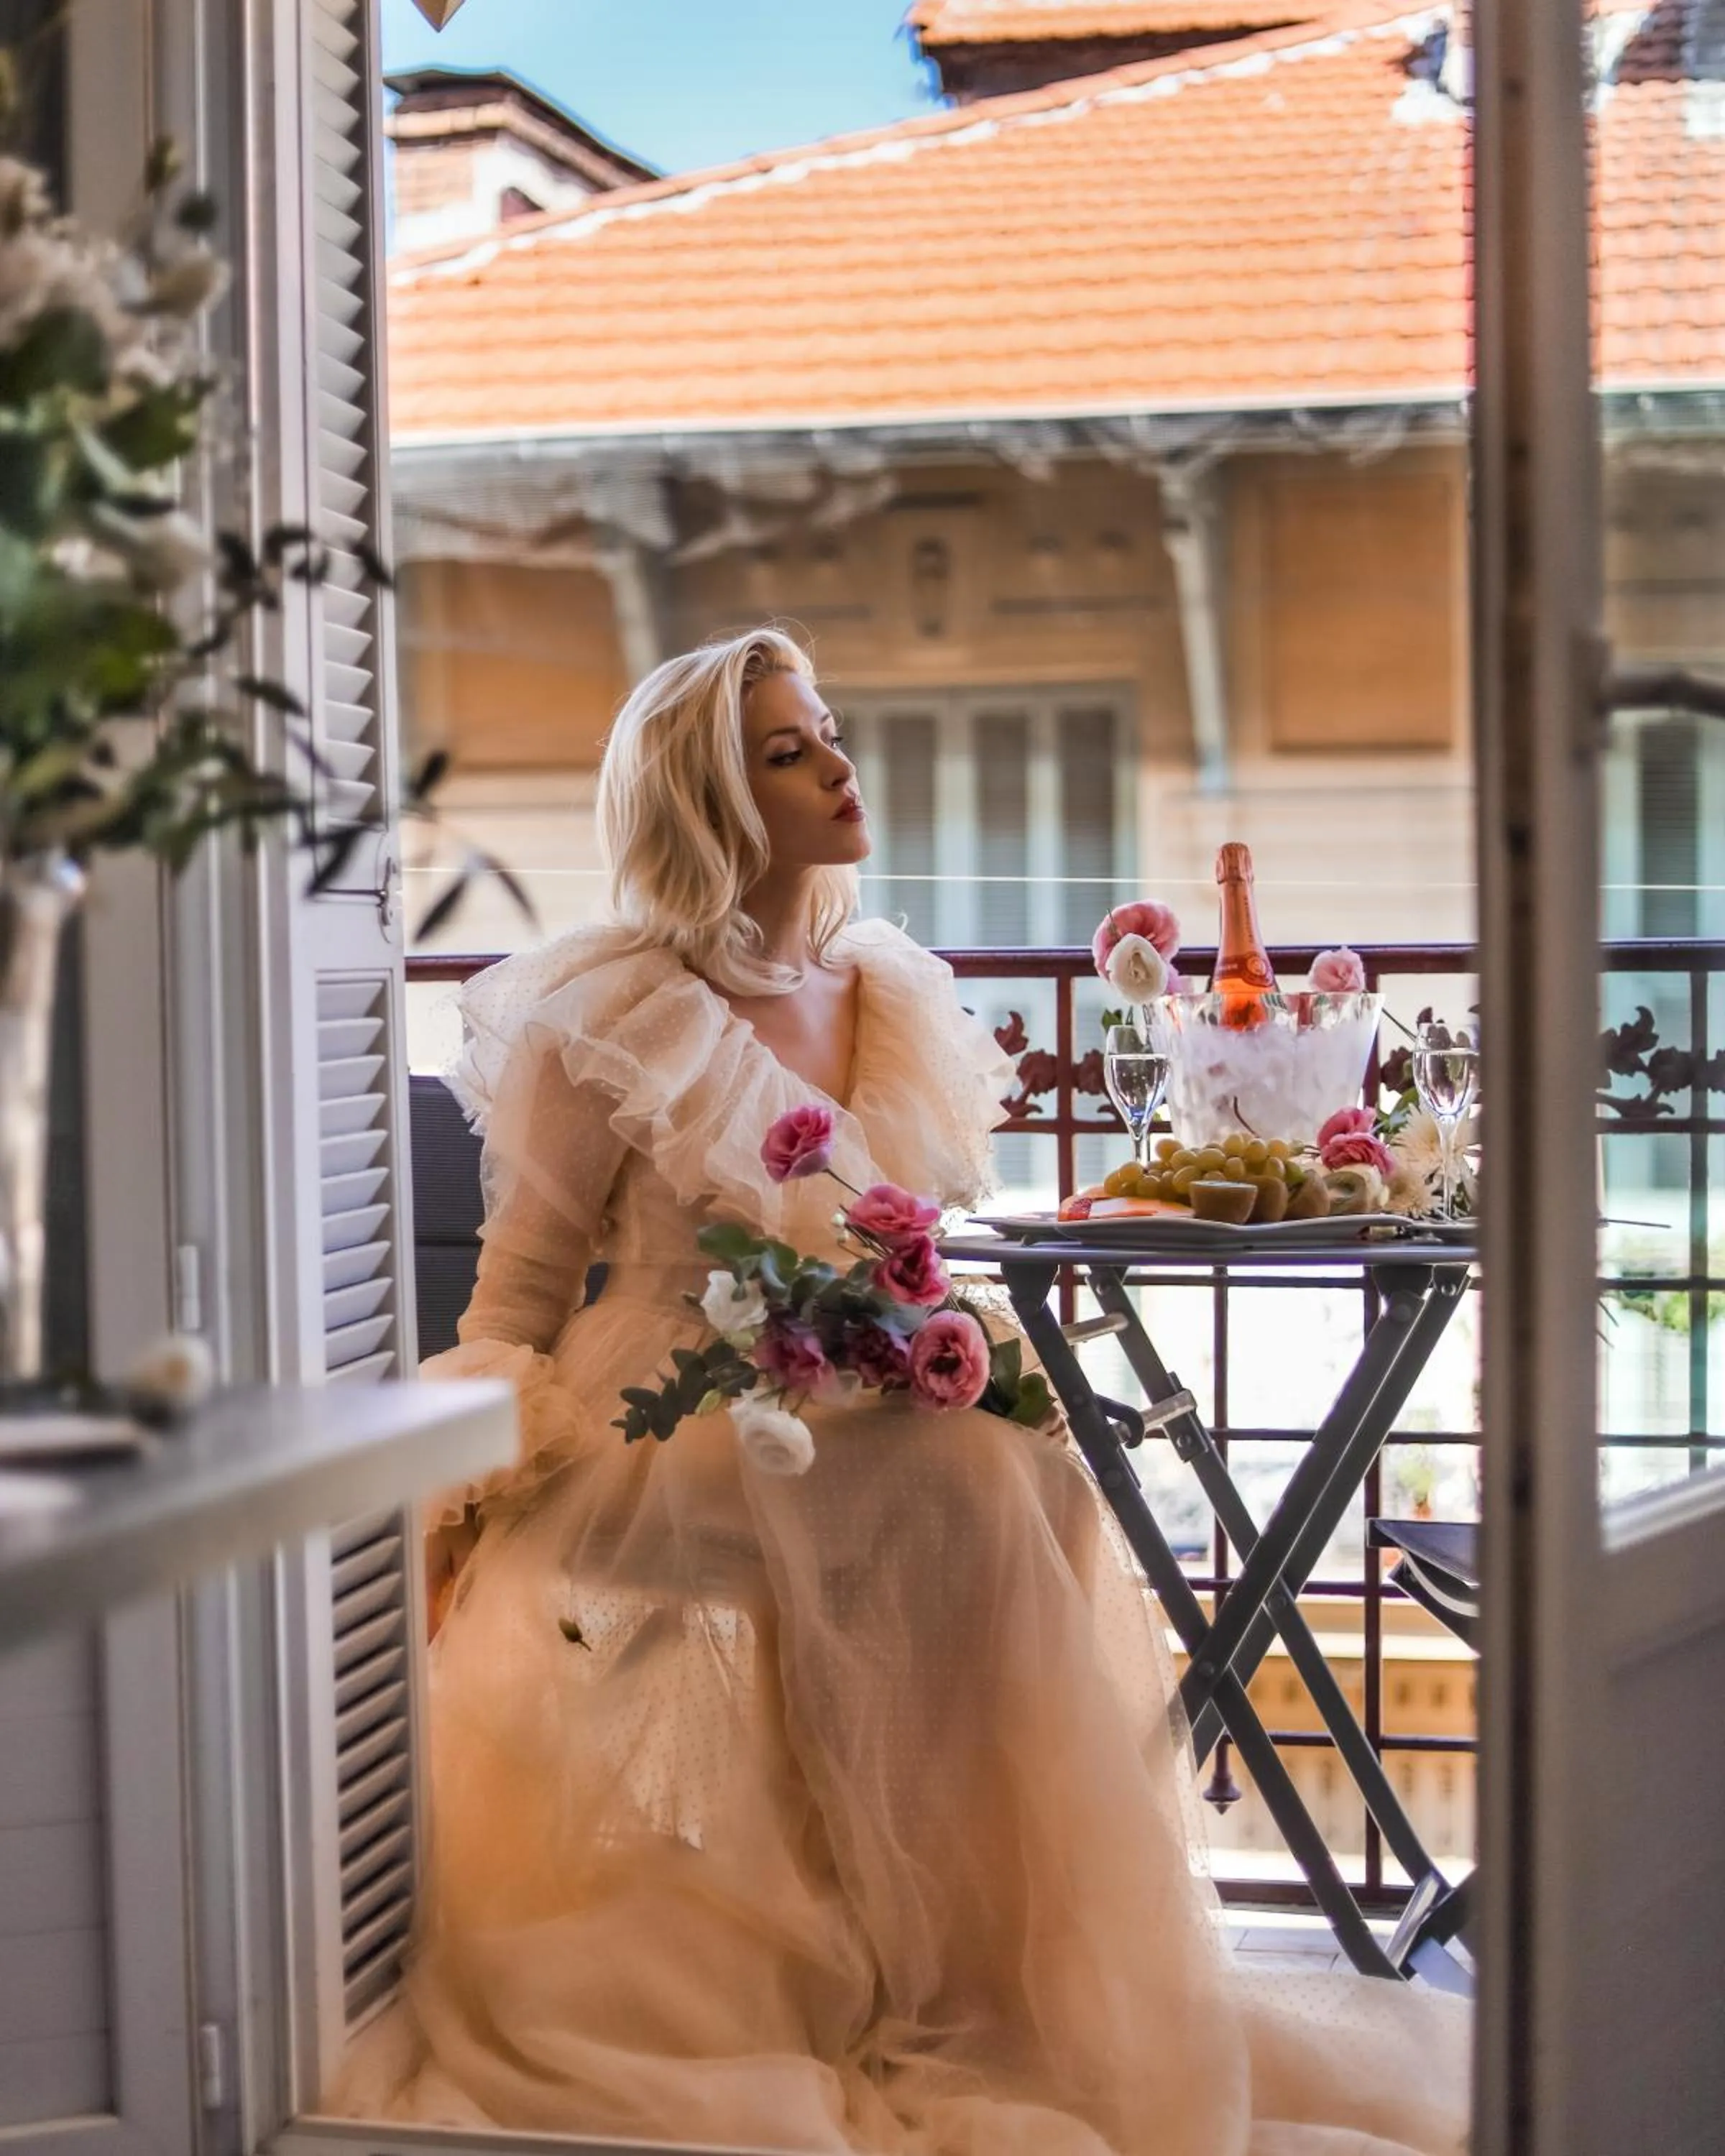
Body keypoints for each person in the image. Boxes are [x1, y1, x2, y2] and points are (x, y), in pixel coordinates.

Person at [328, 628, 1469, 2152]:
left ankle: (988, 1969)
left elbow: (918, 1239)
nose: (837, 766)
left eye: (830, 733)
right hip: (666, 1407)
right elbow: (521, 1292)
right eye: (788, 752)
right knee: (953, 1488)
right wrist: (459, 1500)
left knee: (1032, 1481)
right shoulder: (604, 1012)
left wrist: (945, 1339)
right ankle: (859, 1966)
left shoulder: (892, 991)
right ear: (712, 804)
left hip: (863, 1384)